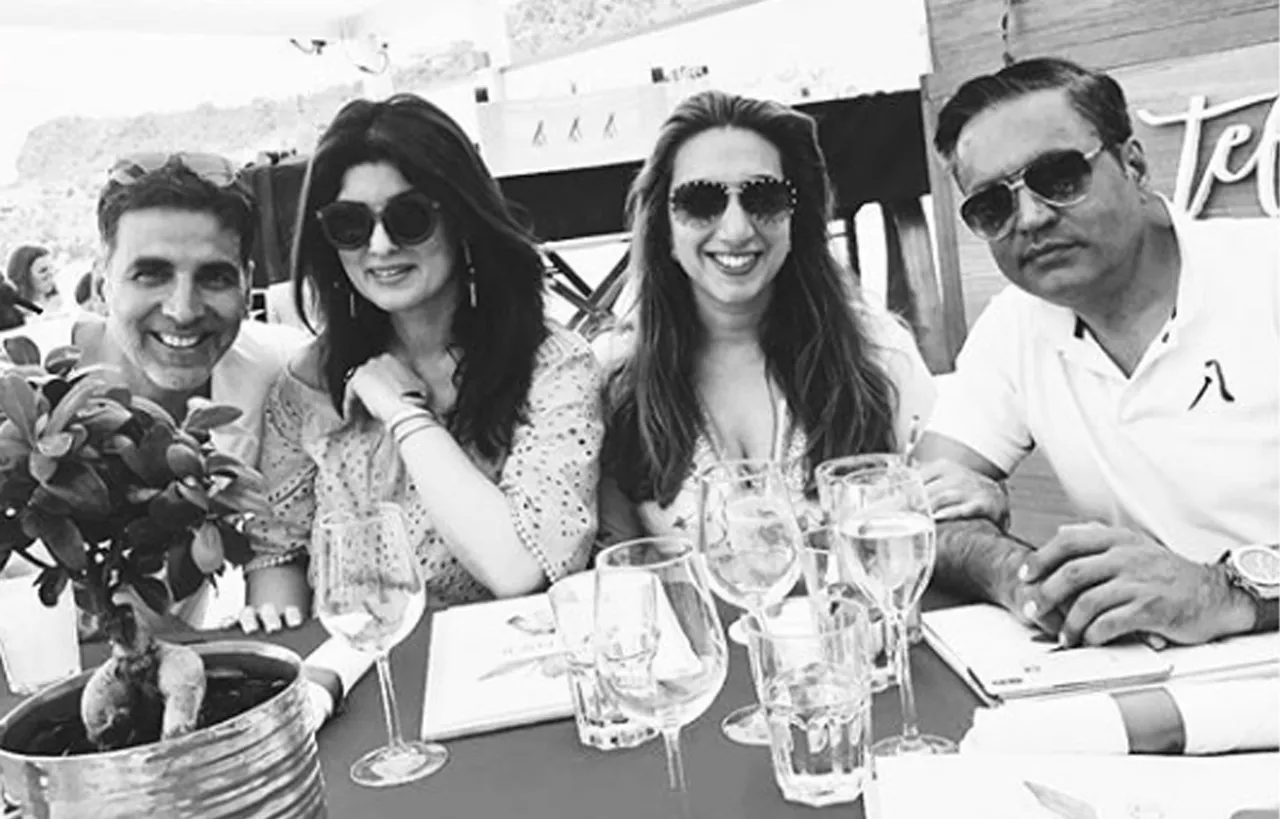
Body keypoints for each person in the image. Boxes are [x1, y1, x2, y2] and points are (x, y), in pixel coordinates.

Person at [916, 56, 1279, 647]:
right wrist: (1023, 575)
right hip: (1155, 674)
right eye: (992, 206)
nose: (1030, 218)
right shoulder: (1016, 323)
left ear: (1133, 165)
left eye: (1059, 177)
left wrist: (1222, 592)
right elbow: (922, 509)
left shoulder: (1265, 273)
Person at [242, 94, 603, 631]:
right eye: (350, 224)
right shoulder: (305, 388)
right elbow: (277, 553)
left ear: (461, 218)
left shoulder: (552, 368)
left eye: (409, 218)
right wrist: (281, 624)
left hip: (504, 663)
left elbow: (519, 567)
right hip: (358, 665)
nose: (380, 246)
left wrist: (403, 413)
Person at [597, 90, 953, 542]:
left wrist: (967, 492)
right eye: (699, 201)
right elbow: (620, 565)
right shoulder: (616, 378)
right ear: (662, 227)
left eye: (764, 197)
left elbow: (944, 514)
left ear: (795, 220)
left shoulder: (877, 353)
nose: (736, 229)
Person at [0, 152, 307, 627]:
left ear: (248, 285)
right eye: (150, 274)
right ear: (101, 283)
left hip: (174, 662)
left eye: (215, 277)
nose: (183, 310)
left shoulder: (281, 371)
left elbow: (279, 549)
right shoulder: (16, 384)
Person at [5, 244, 63, 315]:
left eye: (51, 268)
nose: (51, 274)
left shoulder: (62, 301)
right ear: (24, 277)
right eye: (43, 270)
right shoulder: (12, 313)